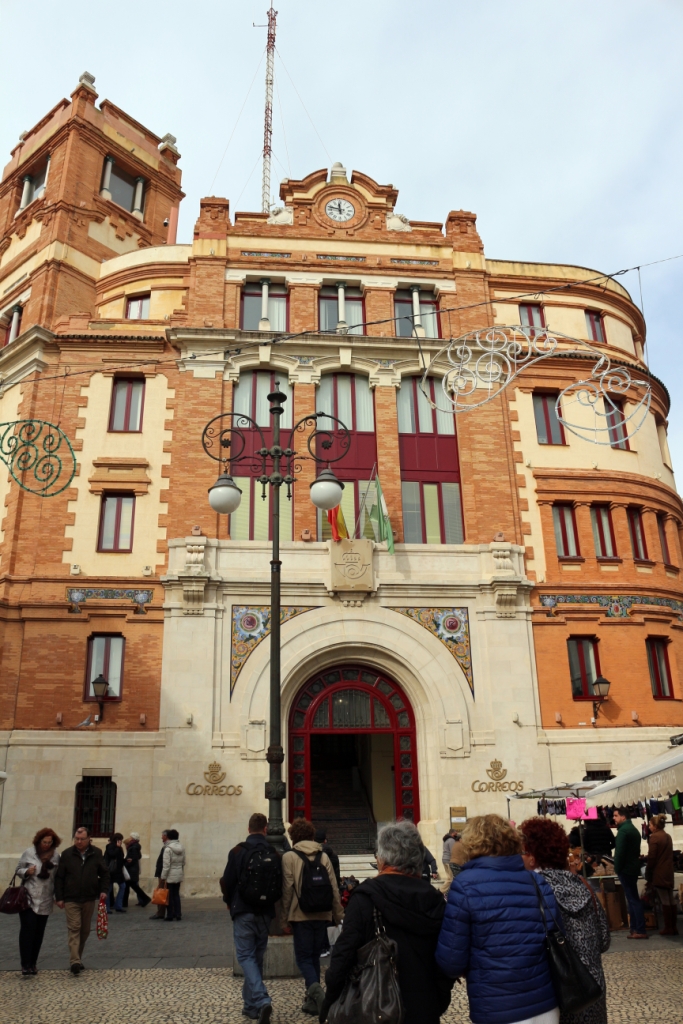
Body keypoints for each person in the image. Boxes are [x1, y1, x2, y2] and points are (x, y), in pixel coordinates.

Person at [322, 820, 453, 1024]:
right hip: (424, 1007)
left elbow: (343, 956)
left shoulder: (365, 899)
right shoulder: (435, 900)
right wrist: (438, 1000)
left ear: (382, 859)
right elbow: (448, 958)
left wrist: (329, 1002)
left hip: (376, 1008)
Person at [436, 813, 559, 1024]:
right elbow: (556, 936)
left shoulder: (464, 885)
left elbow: (451, 961)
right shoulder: (537, 881)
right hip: (544, 1004)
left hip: (496, 1007)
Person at [521, 817, 610, 1024]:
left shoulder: (533, 891)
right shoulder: (584, 885)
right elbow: (604, 941)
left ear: (533, 856)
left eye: (522, 852)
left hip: (559, 995)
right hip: (592, 992)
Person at [221, 812, 280, 1023]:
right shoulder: (273, 852)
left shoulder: (237, 851)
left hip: (243, 910)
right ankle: (250, 1006)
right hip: (265, 913)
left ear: (248, 829)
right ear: (265, 829)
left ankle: (262, 999)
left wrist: (229, 901)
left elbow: (227, 881)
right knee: (256, 958)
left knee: (246, 956)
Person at [281, 818, 343, 1016]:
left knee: (303, 958)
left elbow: (287, 890)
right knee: (315, 956)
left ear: (293, 836)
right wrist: (338, 914)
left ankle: (317, 993)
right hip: (322, 914)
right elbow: (333, 887)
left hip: (301, 914)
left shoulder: (289, 857)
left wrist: (284, 919)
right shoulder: (323, 856)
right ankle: (312, 1002)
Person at [54, 825, 109, 974]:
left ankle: (77, 957)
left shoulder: (96, 853)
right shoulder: (67, 854)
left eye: (82, 839)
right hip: (71, 897)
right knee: (74, 928)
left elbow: (104, 873)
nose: (79, 841)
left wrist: (103, 890)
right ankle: (75, 962)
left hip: (89, 897)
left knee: (84, 930)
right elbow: (59, 877)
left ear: (89, 839)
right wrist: (59, 897)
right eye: (76, 839)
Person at [14, 827, 61, 975]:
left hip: (45, 898)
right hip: (28, 898)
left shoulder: (55, 856)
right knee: (27, 931)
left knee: (38, 933)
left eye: (49, 842)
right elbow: (18, 870)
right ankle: (25, 964)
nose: (46, 845)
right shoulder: (29, 853)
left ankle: (33, 963)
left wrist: (58, 896)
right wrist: (26, 872)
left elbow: (57, 878)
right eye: (44, 842)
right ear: (39, 841)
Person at [613, 807, 647, 939]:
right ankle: (634, 928)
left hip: (626, 868)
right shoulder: (633, 829)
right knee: (632, 899)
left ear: (623, 817)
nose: (614, 818)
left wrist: (617, 868)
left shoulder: (623, 831)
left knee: (633, 899)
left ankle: (639, 928)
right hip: (632, 867)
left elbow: (620, 853)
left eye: (616, 816)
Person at [646, 813, 677, 936]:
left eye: (650, 825)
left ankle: (668, 927)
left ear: (655, 826)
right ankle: (673, 926)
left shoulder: (654, 837)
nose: (649, 827)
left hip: (659, 871)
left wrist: (649, 871)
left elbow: (652, 857)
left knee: (664, 899)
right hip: (668, 870)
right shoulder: (667, 836)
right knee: (670, 898)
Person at [160, 828, 185, 922]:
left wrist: (163, 877)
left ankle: (170, 914)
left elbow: (166, 865)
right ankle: (178, 914)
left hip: (170, 874)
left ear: (169, 837)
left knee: (169, 895)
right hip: (178, 873)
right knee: (176, 895)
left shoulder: (167, 849)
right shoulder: (182, 848)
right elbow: (183, 862)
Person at [124, 833, 151, 908]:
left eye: (130, 837)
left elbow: (134, 859)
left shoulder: (133, 847)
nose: (129, 838)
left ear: (133, 838)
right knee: (128, 885)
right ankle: (124, 902)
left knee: (133, 885)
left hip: (131, 870)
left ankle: (145, 898)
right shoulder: (134, 846)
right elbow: (138, 856)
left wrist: (126, 863)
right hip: (132, 869)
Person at [104, 833, 127, 913]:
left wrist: (126, 861)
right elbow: (112, 855)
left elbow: (120, 858)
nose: (121, 841)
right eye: (120, 840)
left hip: (118, 871)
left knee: (123, 886)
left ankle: (118, 905)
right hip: (111, 871)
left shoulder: (119, 847)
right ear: (117, 840)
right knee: (109, 889)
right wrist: (117, 848)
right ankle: (107, 908)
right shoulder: (110, 846)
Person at [150, 829, 170, 920]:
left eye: (162, 836)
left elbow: (165, 863)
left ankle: (160, 912)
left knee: (162, 893)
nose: (161, 837)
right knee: (166, 893)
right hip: (164, 873)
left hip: (163, 873)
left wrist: (162, 875)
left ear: (166, 836)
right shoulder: (167, 846)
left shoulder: (167, 847)